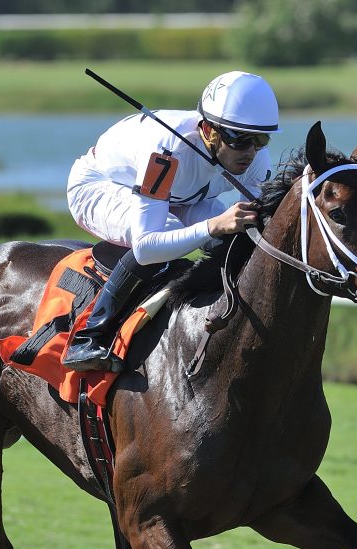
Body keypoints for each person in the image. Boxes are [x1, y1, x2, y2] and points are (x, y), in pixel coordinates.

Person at [62, 70, 280, 372]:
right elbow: (147, 247)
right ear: (209, 130)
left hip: (182, 199)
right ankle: (88, 336)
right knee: (168, 235)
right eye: (240, 140)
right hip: (101, 186)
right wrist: (214, 225)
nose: (251, 152)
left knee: (245, 233)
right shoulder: (166, 151)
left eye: (260, 139)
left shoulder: (256, 157)